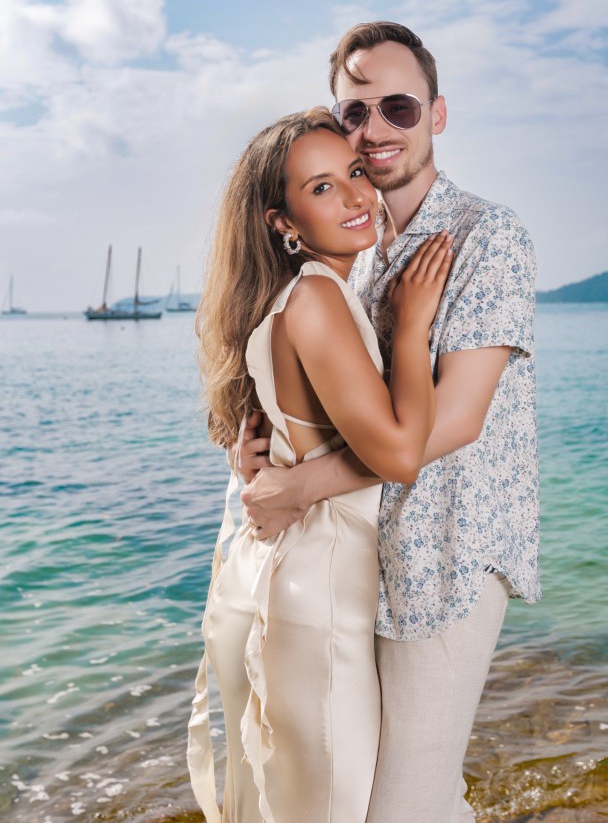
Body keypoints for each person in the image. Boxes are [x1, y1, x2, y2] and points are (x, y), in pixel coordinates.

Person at [240, 22, 541, 823]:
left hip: (446, 551)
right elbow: (331, 395)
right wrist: (267, 440)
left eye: (396, 108)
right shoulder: (358, 244)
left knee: (401, 806)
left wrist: (298, 486)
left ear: (435, 116)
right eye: (353, 112)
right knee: (402, 794)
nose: (373, 130)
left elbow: (455, 421)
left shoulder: (487, 237)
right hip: (357, 564)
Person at [187, 106, 454, 823]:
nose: (357, 197)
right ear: (284, 222)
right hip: (316, 602)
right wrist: (414, 326)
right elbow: (397, 455)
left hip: (283, 585)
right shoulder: (316, 298)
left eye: (356, 174)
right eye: (322, 188)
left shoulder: (293, 299)